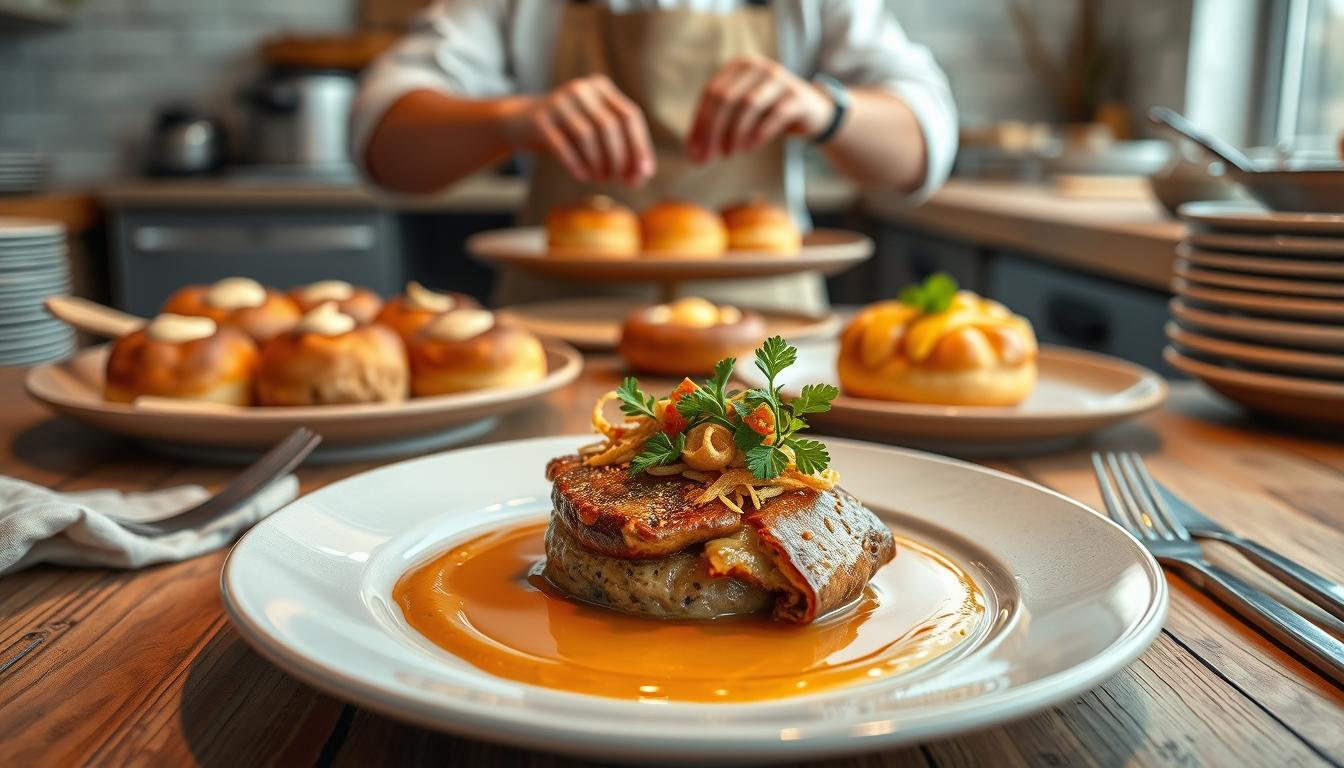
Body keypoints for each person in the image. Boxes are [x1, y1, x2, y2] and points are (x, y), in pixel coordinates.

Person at [351, 0, 957, 310]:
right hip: (564, 333)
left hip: (768, 350)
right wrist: (510, 118)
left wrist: (828, 111)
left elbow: (921, 151)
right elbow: (383, 144)